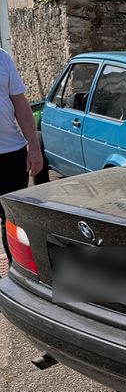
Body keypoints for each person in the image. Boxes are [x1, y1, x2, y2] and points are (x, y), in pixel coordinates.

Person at [0, 47, 43, 260]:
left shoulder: (2, 58)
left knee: (13, 220)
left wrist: (34, 148)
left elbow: (21, 105)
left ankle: (17, 277)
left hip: (11, 155)